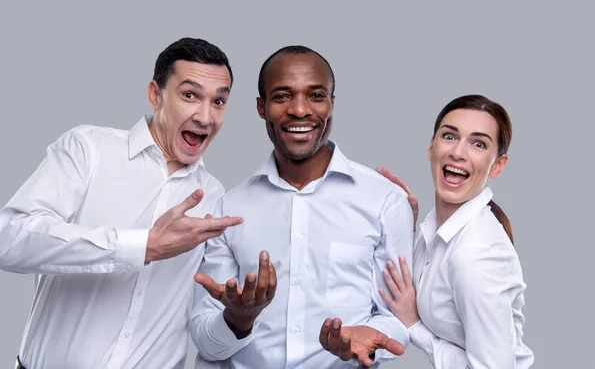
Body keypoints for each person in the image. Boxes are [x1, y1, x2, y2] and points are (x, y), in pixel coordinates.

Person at [0, 37, 243, 369]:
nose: (206, 116)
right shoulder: (89, 150)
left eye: (219, 101)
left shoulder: (215, 198)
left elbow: (207, 334)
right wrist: (143, 245)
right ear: (155, 95)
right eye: (190, 95)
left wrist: (240, 318)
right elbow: (9, 238)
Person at [189, 45, 415, 368]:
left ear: (332, 104)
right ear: (261, 106)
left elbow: (400, 318)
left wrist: (371, 334)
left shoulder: (384, 200)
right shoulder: (229, 208)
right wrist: (237, 320)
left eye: (316, 96)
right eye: (282, 96)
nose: (299, 110)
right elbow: (205, 343)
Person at [377, 95, 535, 368]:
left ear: (497, 165)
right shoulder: (437, 226)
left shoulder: (474, 254)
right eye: (450, 136)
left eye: (478, 143)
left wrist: (414, 325)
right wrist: (404, 223)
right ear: (431, 148)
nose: (458, 152)